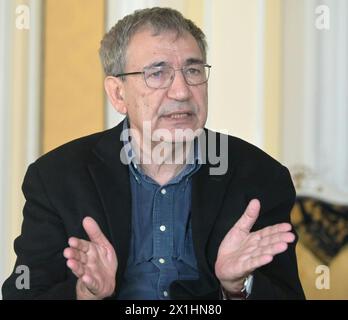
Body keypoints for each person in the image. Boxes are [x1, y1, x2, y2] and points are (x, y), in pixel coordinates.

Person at [2, 7, 305, 300]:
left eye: (193, 70)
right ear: (118, 94)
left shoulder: (260, 177)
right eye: (157, 73)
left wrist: (239, 287)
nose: (182, 91)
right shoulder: (57, 178)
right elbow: (24, 294)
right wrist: (85, 296)